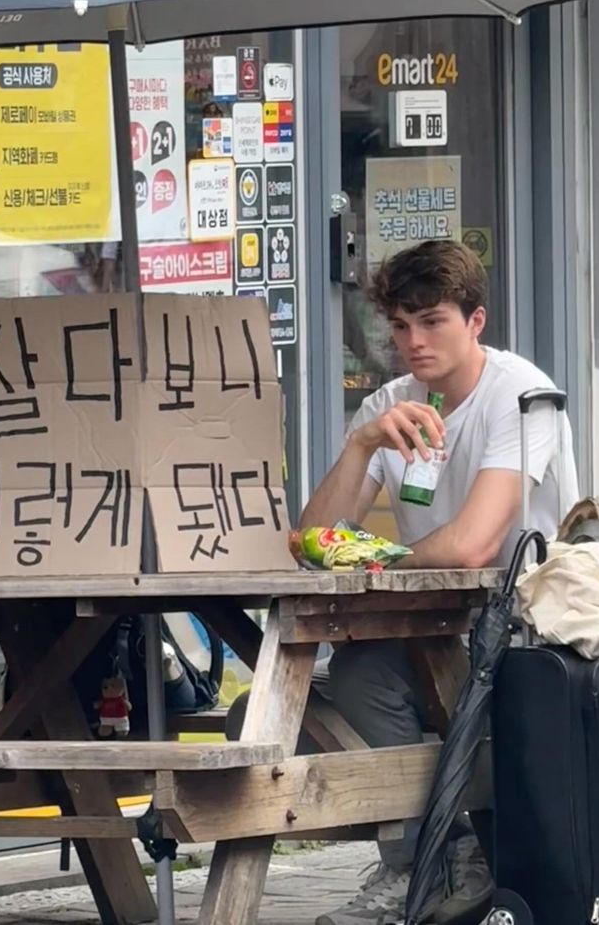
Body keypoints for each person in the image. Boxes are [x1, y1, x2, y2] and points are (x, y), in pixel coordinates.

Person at [226, 239, 580, 925]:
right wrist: (362, 445)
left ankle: (436, 858)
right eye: (400, 325)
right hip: (427, 628)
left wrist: (375, 561)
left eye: (433, 321)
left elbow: (474, 545)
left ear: (475, 321)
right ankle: (437, 857)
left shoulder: (523, 397)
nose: (414, 342)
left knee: (362, 678)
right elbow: (312, 542)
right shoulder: (388, 405)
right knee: (278, 712)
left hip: (522, 635)